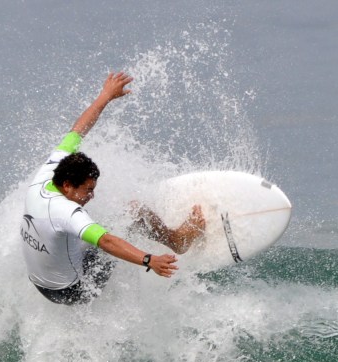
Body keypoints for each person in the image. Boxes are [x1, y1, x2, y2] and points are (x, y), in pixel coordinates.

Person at [20, 71, 205, 305]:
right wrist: (150, 260)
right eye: (87, 190)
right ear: (67, 185)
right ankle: (177, 240)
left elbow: (77, 131)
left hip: (39, 283)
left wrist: (105, 96)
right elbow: (106, 242)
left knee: (96, 226)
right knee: (133, 214)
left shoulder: (47, 174)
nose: (92, 195)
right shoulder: (65, 212)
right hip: (73, 291)